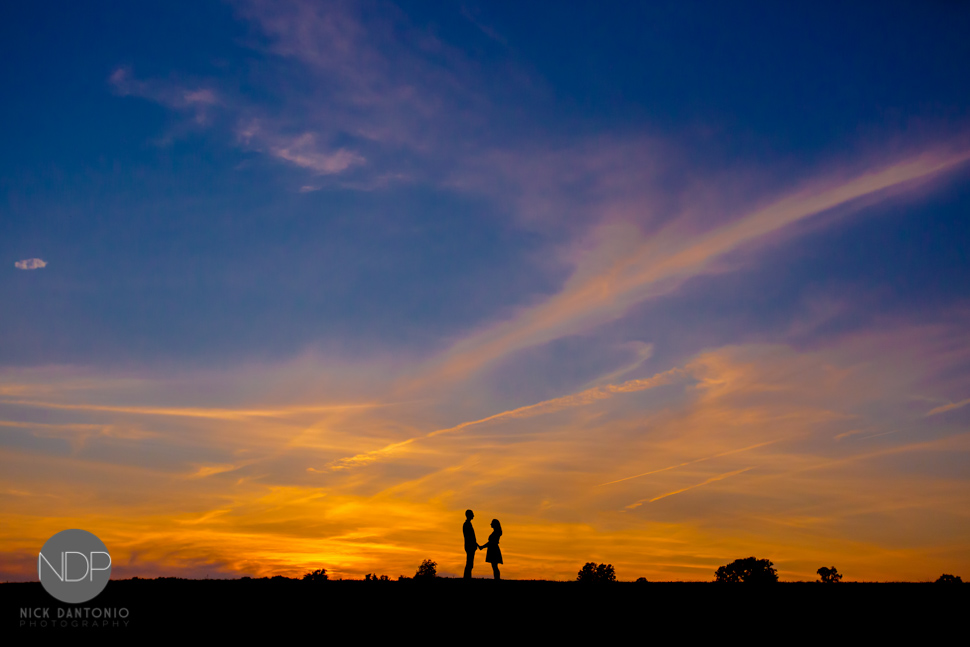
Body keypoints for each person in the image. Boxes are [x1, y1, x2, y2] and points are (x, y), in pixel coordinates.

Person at [462, 509, 477, 579]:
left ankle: (468, 577)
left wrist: (476, 544)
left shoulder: (468, 524)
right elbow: (470, 537)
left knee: (470, 563)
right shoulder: (467, 524)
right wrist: (474, 544)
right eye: (472, 514)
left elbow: (471, 537)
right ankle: (467, 578)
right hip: (469, 546)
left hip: (470, 545)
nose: (473, 515)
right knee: (469, 563)